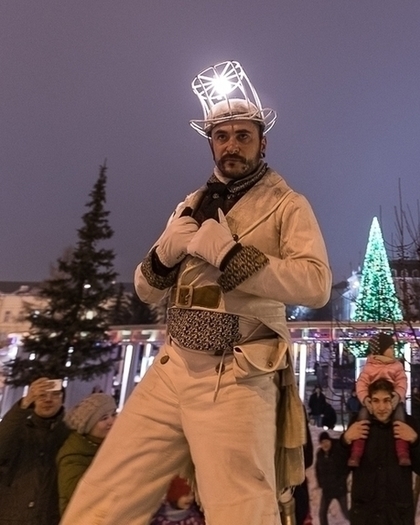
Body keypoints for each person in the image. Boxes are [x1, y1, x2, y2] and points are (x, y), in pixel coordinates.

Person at [61, 60, 331, 525]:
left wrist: (231, 256)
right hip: (173, 366)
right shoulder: (189, 204)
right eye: (221, 136)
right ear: (211, 143)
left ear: (262, 141)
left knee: (240, 510)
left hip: (235, 372)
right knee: (104, 496)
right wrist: (164, 256)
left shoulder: (289, 205)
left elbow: (316, 284)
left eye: (243, 135)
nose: (231, 145)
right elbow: (146, 290)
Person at [342, 379, 420, 525]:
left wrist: (414, 440)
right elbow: (339, 468)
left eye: (386, 400)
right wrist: (345, 440)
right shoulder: (358, 424)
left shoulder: (407, 424)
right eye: (376, 401)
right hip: (365, 517)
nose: (382, 407)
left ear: (394, 400)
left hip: (397, 517)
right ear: (369, 402)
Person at [0, 377, 70, 525]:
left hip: (50, 518)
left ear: (63, 399)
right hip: (11, 517)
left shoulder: (69, 434)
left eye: (55, 394)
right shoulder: (17, 430)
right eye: (42, 395)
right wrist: (23, 405)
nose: (48, 400)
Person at [348, 333, 409, 467]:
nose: (393, 350)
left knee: (400, 419)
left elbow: (402, 381)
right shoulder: (370, 366)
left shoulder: (397, 366)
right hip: (372, 401)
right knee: (362, 419)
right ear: (382, 350)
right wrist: (365, 399)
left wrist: (398, 395)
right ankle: (356, 452)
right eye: (391, 348)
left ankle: (403, 452)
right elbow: (361, 383)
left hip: (392, 400)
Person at [57, 393, 117, 516]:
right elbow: (80, 493)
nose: (112, 421)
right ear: (88, 425)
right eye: (104, 418)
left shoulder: (109, 446)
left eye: (114, 414)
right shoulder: (73, 455)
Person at [315, 431, 350, 525]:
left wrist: (342, 480)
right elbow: (318, 469)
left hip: (340, 489)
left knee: (346, 513)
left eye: (327, 441)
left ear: (330, 441)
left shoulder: (337, 452)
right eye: (322, 442)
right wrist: (321, 483)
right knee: (322, 513)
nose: (325, 444)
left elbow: (346, 467)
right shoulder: (320, 454)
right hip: (327, 490)